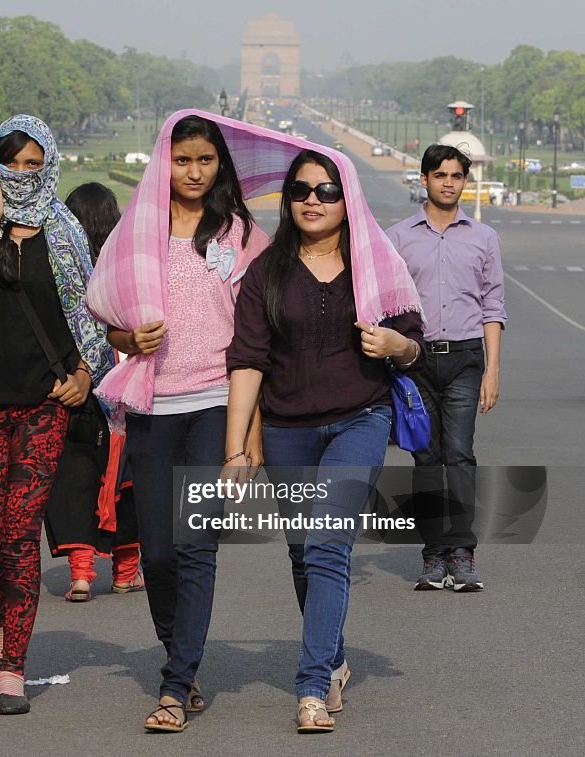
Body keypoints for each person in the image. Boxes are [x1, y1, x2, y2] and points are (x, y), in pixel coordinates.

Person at [225, 149, 425, 733]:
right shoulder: (265, 271)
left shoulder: (374, 261)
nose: (313, 200)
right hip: (287, 430)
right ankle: (334, 657)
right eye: (302, 190)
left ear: (348, 199)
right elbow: (247, 361)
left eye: (327, 190)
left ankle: (311, 685)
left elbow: (414, 342)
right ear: (287, 200)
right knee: (301, 553)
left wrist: (395, 347)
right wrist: (237, 448)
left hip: (360, 418)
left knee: (328, 545)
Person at [87, 112, 270, 733]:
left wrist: (248, 439)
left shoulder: (241, 236)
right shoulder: (136, 233)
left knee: (196, 550)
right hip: (152, 407)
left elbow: (258, 339)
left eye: (206, 161)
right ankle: (180, 657)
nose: (194, 172)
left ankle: (175, 683)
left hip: (216, 405)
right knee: (159, 555)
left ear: (221, 165)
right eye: (183, 160)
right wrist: (126, 335)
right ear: (165, 162)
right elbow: (104, 315)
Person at [0, 115, 114, 715]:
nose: (22, 174)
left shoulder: (65, 233)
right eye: (11, 162)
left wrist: (86, 375)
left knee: (20, 539)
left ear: (50, 167)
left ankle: (14, 664)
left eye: (33, 164)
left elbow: (90, 314)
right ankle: (0, 622)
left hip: (44, 405)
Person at [386, 144, 506, 592]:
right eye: (440, 175)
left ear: (464, 181)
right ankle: (433, 554)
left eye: (456, 175)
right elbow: (387, 304)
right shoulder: (398, 237)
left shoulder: (483, 238)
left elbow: (493, 306)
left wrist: (492, 370)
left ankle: (463, 551)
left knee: (459, 455)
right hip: (414, 361)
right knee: (425, 458)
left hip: (465, 358)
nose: (449, 182)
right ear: (424, 180)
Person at [45, 182, 142, 602]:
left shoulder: (59, 267)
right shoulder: (126, 268)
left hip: (72, 388)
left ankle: (82, 574)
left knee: (74, 478)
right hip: (125, 391)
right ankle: (125, 572)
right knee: (129, 481)